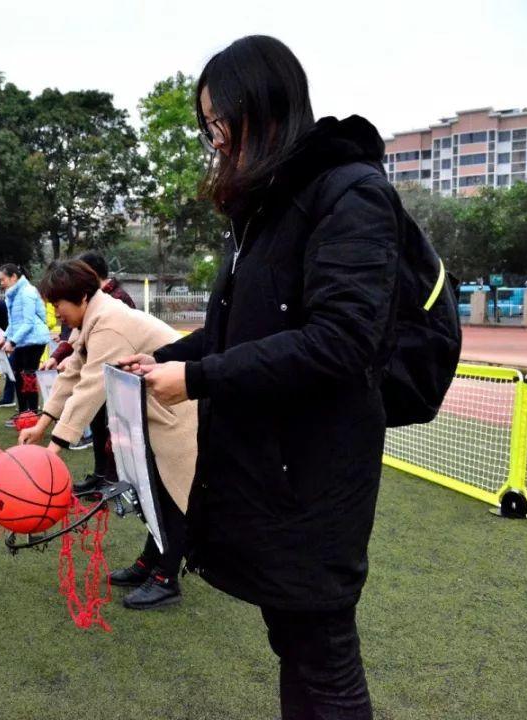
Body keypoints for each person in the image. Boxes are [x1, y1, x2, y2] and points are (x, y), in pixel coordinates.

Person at [120, 35, 402, 719]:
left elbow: (341, 341)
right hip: (268, 470)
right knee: (296, 643)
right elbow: (236, 333)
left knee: (324, 656)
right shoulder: (265, 210)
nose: (215, 139)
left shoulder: (350, 194)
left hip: (314, 475)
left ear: (265, 106)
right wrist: (166, 359)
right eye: (207, 125)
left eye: (219, 121)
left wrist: (198, 378)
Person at [19, 260, 197, 610]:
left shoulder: (109, 323)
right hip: (154, 411)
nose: (56, 313)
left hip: (179, 410)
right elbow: (72, 372)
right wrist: (42, 424)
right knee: (152, 492)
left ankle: (166, 579)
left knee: (171, 495)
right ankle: (151, 563)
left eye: (58, 304)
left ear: (82, 297)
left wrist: (53, 449)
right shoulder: (92, 319)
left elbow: (90, 387)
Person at [47, 250, 138, 490]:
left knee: (115, 432)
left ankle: (111, 480)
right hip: (102, 375)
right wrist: (59, 356)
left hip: (120, 381)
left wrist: (54, 445)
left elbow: (96, 358)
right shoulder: (91, 303)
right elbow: (77, 342)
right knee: (98, 426)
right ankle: (100, 475)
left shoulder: (114, 302)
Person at [0, 263, 49, 416]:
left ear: (13, 277)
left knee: (28, 376)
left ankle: (32, 413)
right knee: (17, 376)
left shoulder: (27, 292)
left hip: (34, 341)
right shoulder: (12, 295)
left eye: (3, 279)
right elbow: (14, 323)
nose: (1, 283)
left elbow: (28, 323)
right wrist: (4, 337)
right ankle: (22, 413)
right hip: (22, 340)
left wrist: (12, 342)